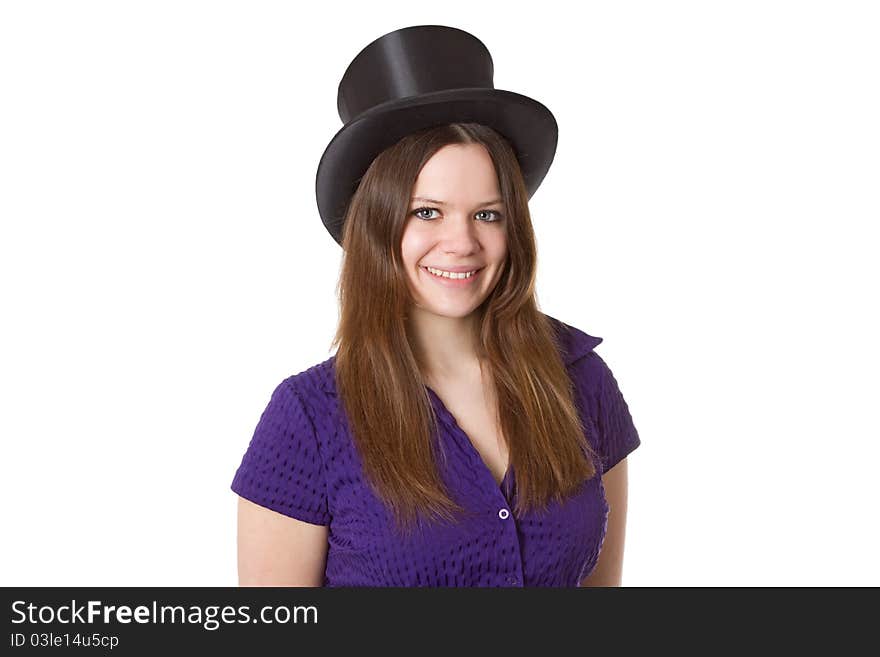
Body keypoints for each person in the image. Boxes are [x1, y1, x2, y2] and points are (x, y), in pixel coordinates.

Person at [230, 25, 641, 587]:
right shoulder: (309, 420)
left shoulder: (583, 382)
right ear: (379, 225)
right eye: (427, 212)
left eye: (488, 214)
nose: (462, 242)